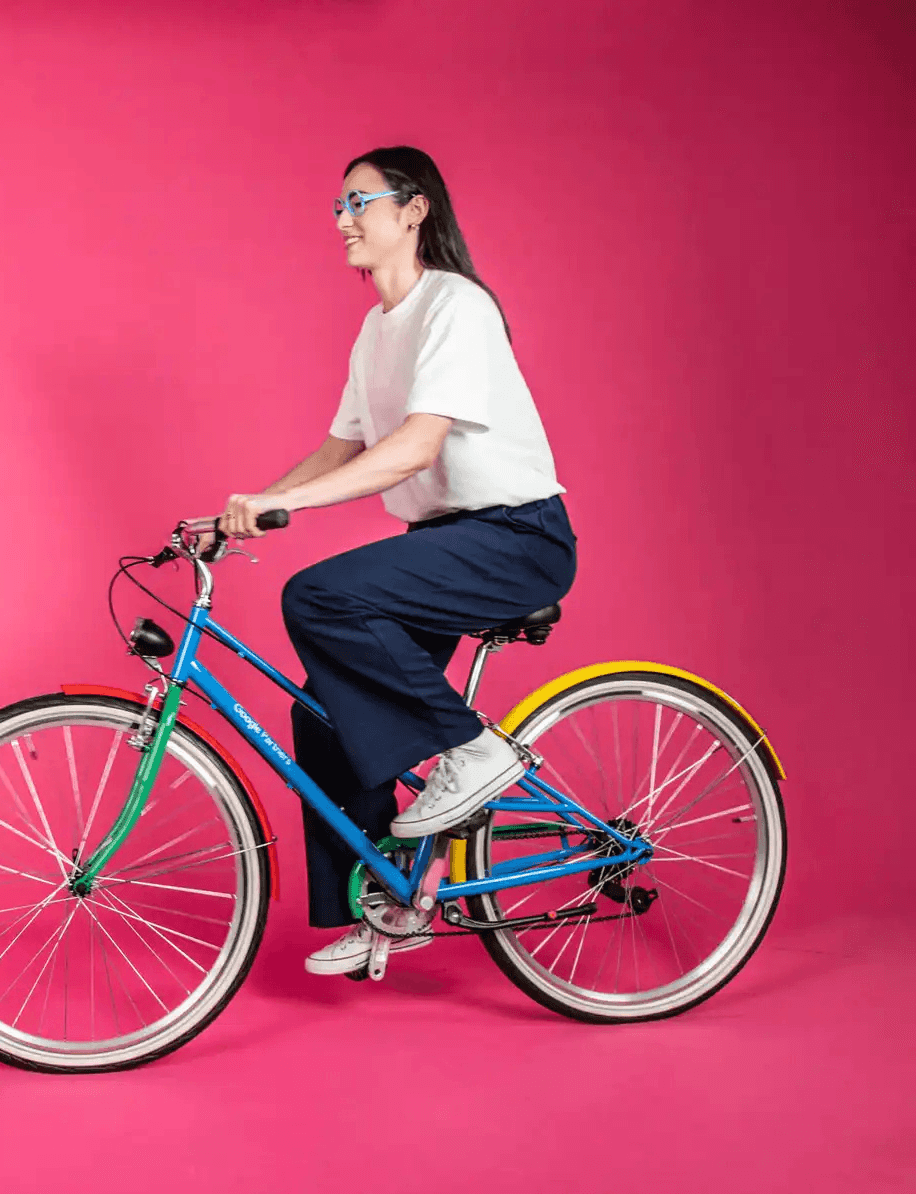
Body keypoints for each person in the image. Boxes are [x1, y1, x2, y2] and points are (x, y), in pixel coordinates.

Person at [213, 146, 577, 976]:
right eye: (338, 206)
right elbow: (341, 448)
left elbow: (415, 448)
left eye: (360, 202)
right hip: (445, 544)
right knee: (325, 712)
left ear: (414, 210)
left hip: (516, 538)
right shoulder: (376, 330)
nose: (343, 219)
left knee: (318, 597)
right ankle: (385, 901)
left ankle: (472, 751)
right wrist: (245, 508)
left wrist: (291, 507)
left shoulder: (455, 305)